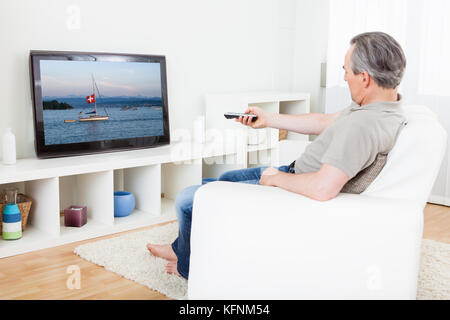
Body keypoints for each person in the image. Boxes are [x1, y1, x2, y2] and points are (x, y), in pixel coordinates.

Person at [147, 31, 407, 279]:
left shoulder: (363, 126)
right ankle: (181, 247)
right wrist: (268, 119)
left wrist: (273, 179)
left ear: (365, 78)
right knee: (225, 177)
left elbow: (322, 188)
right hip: (295, 171)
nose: (344, 78)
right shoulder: (379, 106)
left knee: (188, 201)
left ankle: (187, 268)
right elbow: (323, 121)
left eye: (346, 71)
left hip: (294, 188)